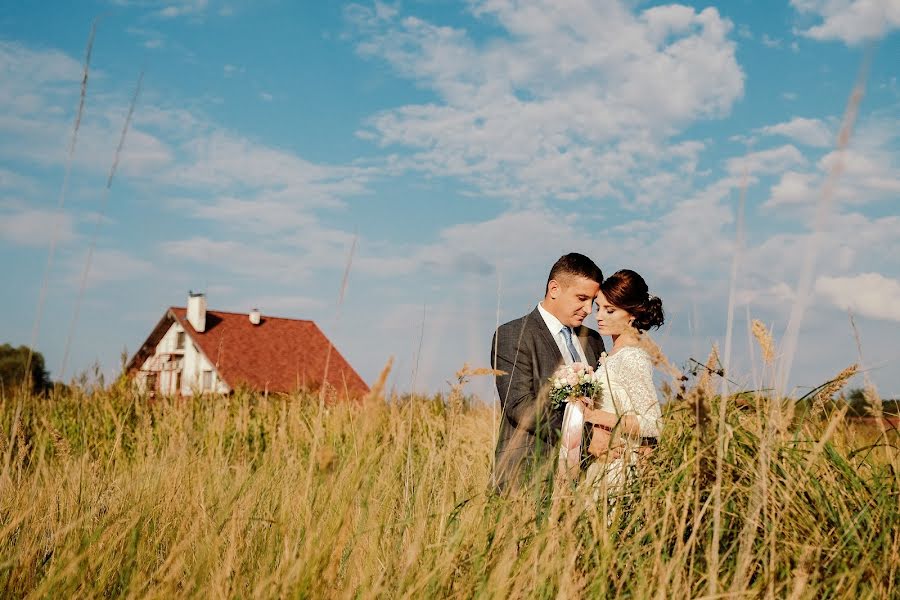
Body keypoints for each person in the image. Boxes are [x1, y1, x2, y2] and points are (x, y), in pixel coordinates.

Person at [490, 253, 605, 493]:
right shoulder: (513, 334)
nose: (588, 309)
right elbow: (519, 406)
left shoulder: (593, 340)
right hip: (527, 476)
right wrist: (583, 441)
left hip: (586, 480)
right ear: (554, 289)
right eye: (582, 298)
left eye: (593, 301)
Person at [581, 269, 665, 500]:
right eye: (598, 308)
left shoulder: (633, 357)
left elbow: (653, 424)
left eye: (610, 310)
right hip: (603, 461)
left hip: (621, 467)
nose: (599, 316)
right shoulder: (612, 353)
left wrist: (595, 417)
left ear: (631, 315)